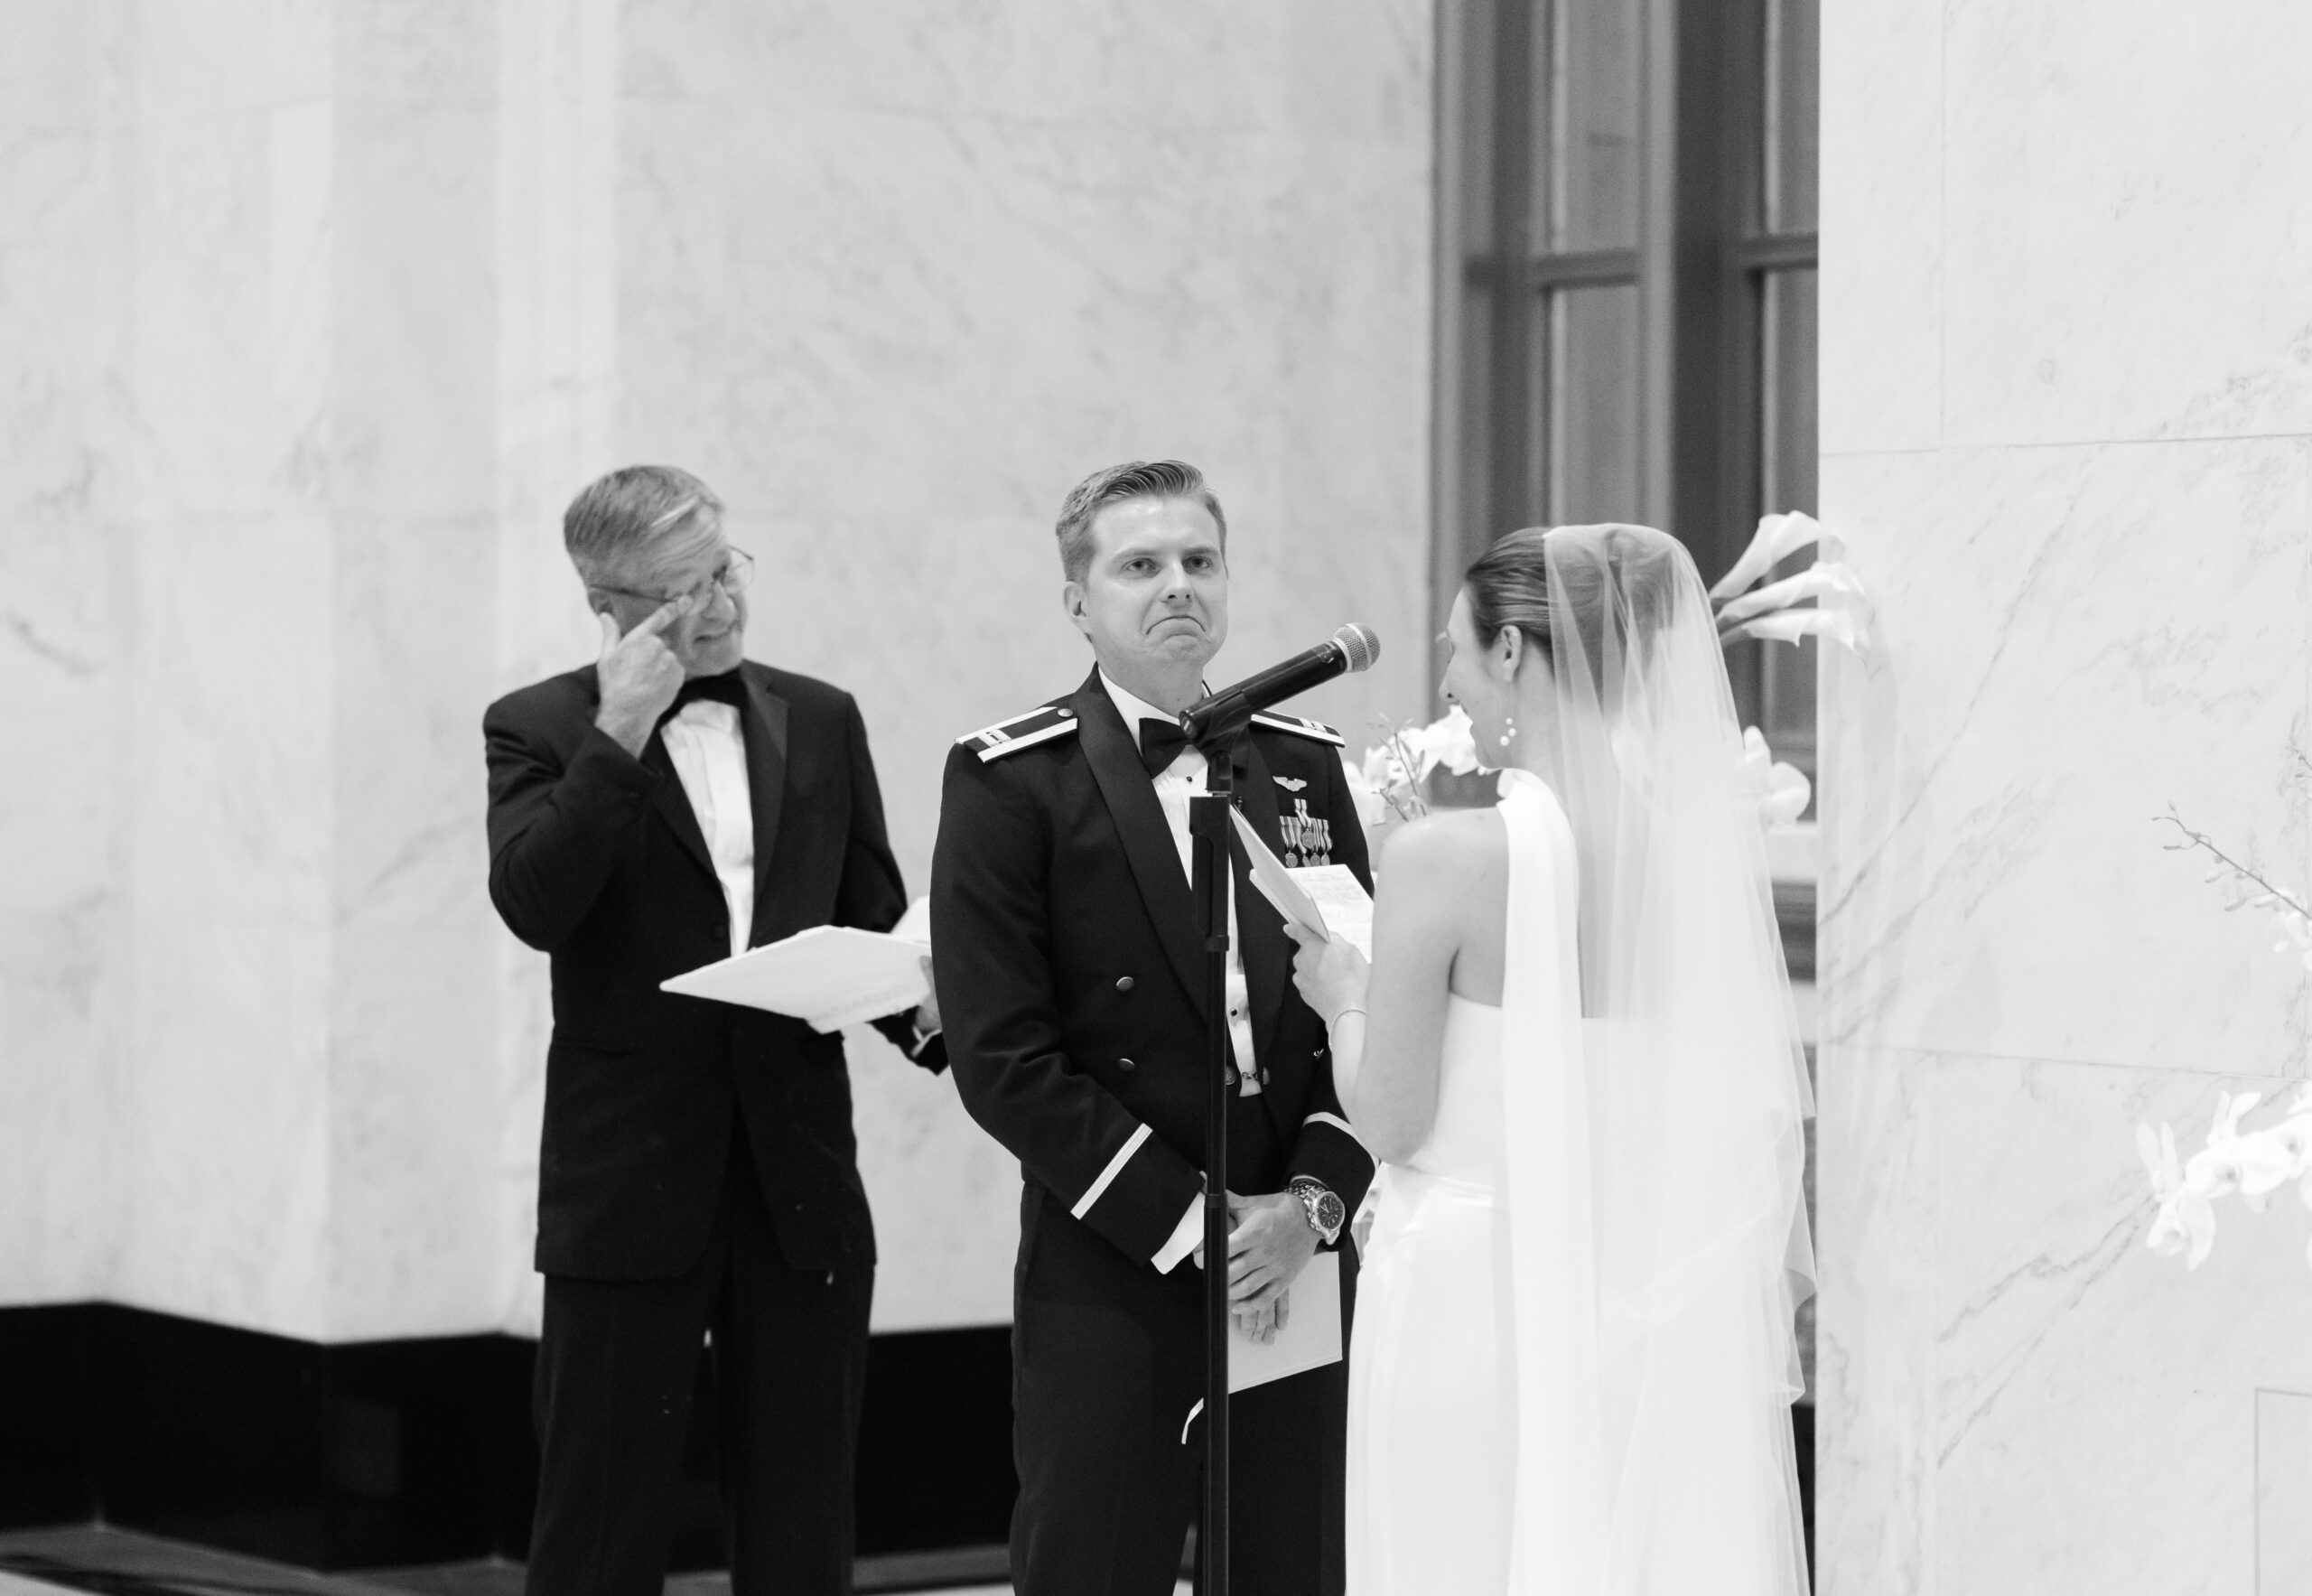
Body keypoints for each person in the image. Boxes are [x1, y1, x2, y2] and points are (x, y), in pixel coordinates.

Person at [1287, 524, 1815, 1594]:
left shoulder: (1441, 854)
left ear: (1516, 654)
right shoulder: (1690, 855)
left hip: (1465, 1289)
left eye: (1456, 652)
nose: (1447, 681)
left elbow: (1388, 1121)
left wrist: (1345, 999)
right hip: (1631, 1291)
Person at [483, 465, 945, 1596]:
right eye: (684, 588)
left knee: (801, 1520)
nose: (722, 604)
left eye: (725, 568)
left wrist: (936, 1013)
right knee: (598, 1520)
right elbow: (536, 906)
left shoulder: (821, 717)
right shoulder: (539, 727)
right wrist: (621, 732)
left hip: (797, 1177)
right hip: (627, 1178)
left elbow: (868, 915)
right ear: (612, 606)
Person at [930, 460, 1377, 1596]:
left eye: (1198, 561)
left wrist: (1311, 1208)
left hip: (1296, 1253)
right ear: (1077, 600)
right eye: (1139, 565)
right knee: (1096, 1566)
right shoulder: (1009, 780)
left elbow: (1362, 1007)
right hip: (1118, 1258)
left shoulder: (1306, 765)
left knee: (1296, 1564)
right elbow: (1002, 1061)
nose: (1177, 585)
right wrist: (1195, 1221)